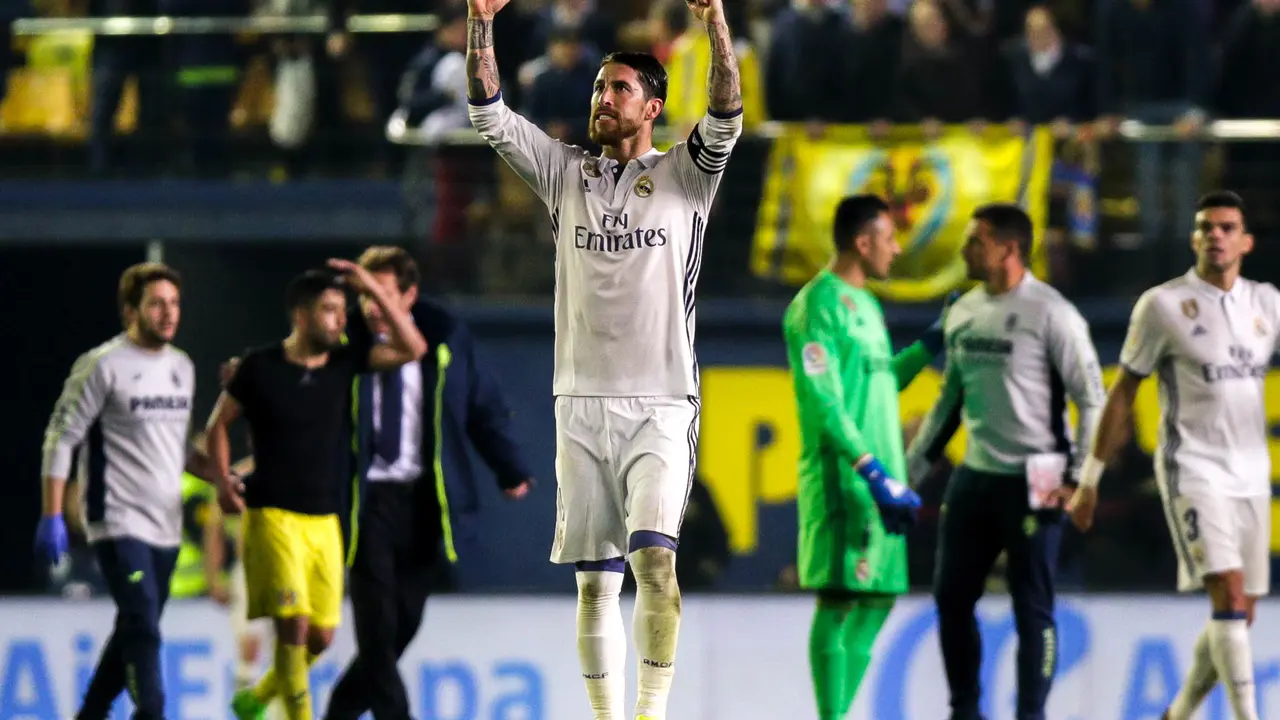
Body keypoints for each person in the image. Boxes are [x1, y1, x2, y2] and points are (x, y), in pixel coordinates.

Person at [465, 0, 742, 717]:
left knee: (655, 559)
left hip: (660, 401)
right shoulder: (565, 176)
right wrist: (480, 24)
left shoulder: (688, 177)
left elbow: (727, 109)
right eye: (597, 88)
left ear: (653, 107)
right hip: (579, 401)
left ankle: (649, 713)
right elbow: (489, 115)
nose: (602, 98)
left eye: (618, 89)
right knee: (596, 584)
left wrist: (713, 19)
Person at [1067, 191, 1275, 720]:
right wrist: (1089, 478)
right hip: (1193, 468)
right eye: (1206, 227)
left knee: (1240, 612)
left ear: (1246, 241)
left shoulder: (1267, 304)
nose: (1216, 236)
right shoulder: (1162, 306)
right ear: (1193, 238)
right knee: (1227, 595)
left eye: (1228, 227)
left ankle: (1177, 714)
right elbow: (1123, 391)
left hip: (1251, 472)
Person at [906, 203, 1105, 720]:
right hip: (975, 477)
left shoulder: (1052, 312)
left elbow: (1092, 398)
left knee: (1032, 607)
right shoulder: (964, 312)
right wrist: (910, 474)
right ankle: (965, 710)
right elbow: (950, 401)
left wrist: (1081, 478)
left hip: (1038, 476)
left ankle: (1030, 715)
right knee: (950, 599)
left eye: (976, 241)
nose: (965, 250)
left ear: (1008, 249)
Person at [205, 262, 427, 720]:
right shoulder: (260, 367)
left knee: (321, 637)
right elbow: (217, 427)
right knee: (292, 627)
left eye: (343, 310)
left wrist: (368, 286)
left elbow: (414, 346)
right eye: (329, 310)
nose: (341, 319)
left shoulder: (346, 361)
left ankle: (260, 696)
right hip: (272, 517)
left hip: (325, 520)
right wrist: (223, 480)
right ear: (301, 316)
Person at [323, 245, 536, 720]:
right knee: (376, 631)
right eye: (366, 297)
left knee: (399, 631)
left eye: (384, 295)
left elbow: (481, 405)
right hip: (367, 503)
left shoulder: (444, 341)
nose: (372, 308)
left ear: (411, 294)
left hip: (423, 504)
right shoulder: (348, 347)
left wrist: (509, 466)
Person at [782, 194, 951, 720]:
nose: (897, 250)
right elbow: (823, 402)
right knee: (838, 599)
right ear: (862, 242)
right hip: (848, 478)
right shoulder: (817, 306)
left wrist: (928, 344)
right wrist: (870, 470)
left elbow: (880, 382)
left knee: (878, 599)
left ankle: (839, 713)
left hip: (885, 480)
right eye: (889, 239)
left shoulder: (869, 305)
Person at [36, 262, 195, 720]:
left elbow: (177, 448)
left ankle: (90, 714)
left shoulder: (182, 368)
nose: (168, 313)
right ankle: (153, 712)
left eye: (174, 303)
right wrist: (51, 514)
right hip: (117, 520)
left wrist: (222, 478)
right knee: (143, 627)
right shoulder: (102, 365)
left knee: (134, 624)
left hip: (167, 527)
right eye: (157, 304)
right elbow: (61, 438)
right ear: (131, 311)